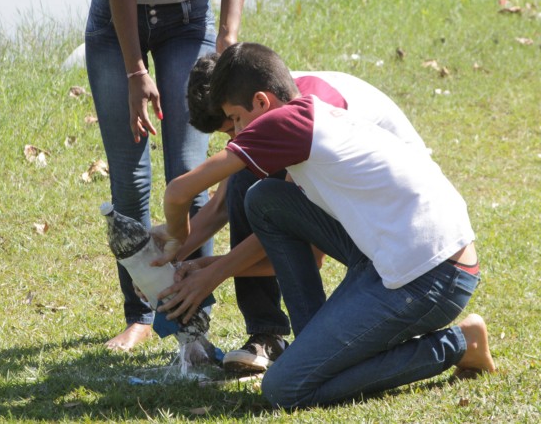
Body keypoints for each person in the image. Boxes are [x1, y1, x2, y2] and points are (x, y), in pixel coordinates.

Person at [152, 42, 496, 407]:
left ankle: (462, 343)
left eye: (236, 120)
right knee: (264, 198)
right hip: (389, 256)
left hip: (435, 274)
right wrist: (201, 265)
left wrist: (178, 236)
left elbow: (178, 193)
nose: (236, 133)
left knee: (285, 389)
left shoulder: (283, 125)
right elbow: (236, 208)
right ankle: (317, 347)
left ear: (262, 103)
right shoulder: (303, 113)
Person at [158, 52, 430, 373]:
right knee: (248, 180)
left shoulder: (301, 114)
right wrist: (170, 261)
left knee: (259, 189)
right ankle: (273, 335)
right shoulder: (269, 96)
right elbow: (220, 206)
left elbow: (300, 244)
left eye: (234, 124)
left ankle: (287, 338)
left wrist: (212, 273)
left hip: (400, 233)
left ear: (253, 101)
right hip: (382, 221)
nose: (236, 137)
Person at [84, 0, 244, 351]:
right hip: (116, 25)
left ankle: (192, 315)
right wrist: (135, 72)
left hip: (189, 23)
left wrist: (228, 36)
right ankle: (139, 316)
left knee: (190, 172)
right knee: (130, 181)